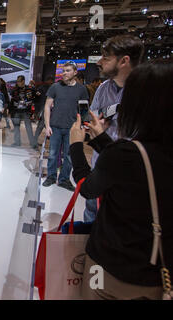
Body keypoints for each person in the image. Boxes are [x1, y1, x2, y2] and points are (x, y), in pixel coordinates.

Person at [69, 59, 172, 300]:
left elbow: (88, 188)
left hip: (111, 271)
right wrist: (101, 140)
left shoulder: (126, 154)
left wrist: (75, 146)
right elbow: (135, 171)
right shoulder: (134, 154)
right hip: (159, 275)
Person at [83, 35, 144, 223]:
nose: (99, 63)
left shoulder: (146, 91)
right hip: (100, 163)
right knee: (91, 211)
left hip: (130, 172)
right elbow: (94, 118)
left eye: (106, 58)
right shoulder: (103, 88)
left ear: (124, 60)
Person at [42, 61, 89, 191]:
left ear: (75, 72)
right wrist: (47, 125)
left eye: (68, 70)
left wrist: (83, 126)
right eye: (63, 70)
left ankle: (64, 179)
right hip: (55, 126)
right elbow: (46, 106)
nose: (64, 73)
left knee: (69, 156)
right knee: (52, 154)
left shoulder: (82, 89)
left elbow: (84, 109)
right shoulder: (55, 87)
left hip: (72, 128)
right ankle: (51, 177)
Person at [9, 75, 39, 149]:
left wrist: (32, 103)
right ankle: (17, 142)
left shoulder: (30, 89)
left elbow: (38, 96)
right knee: (16, 127)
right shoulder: (14, 90)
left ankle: (33, 144)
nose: (18, 83)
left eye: (19, 81)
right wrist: (11, 110)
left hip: (26, 111)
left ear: (23, 81)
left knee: (28, 127)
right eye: (17, 81)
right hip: (17, 111)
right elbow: (11, 100)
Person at [33, 76, 54, 146]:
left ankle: (35, 140)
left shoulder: (44, 87)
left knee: (42, 125)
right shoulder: (44, 87)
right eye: (51, 81)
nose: (51, 83)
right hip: (44, 108)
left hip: (45, 108)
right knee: (42, 125)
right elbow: (37, 97)